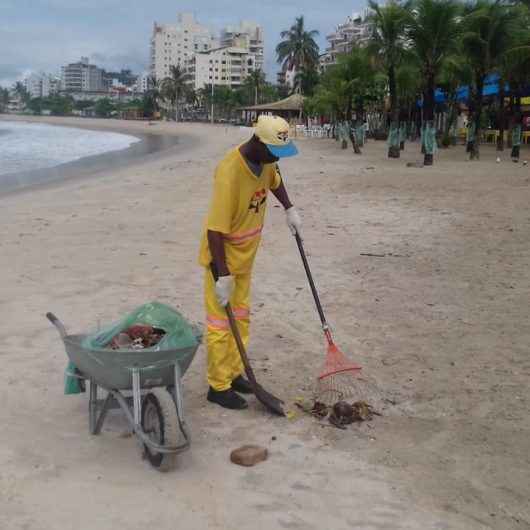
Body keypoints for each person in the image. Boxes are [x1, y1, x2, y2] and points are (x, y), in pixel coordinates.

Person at [198, 115, 302, 410]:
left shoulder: (267, 159)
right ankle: (218, 387)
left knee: (241, 317)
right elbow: (214, 229)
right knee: (220, 324)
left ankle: (233, 373)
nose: (274, 158)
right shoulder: (229, 172)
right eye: (272, 151)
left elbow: (275, 181)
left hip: (246, 258)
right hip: (223, 261)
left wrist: (289, 209)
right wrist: (223, 276)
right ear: (257, 141)